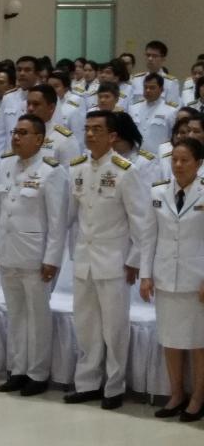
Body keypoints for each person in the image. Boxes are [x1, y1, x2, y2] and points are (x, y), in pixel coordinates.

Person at [64, 111, 150, 410]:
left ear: (112, 136)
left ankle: (114, 387)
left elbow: (140, 221)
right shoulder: (77, 168)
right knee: (86, 325)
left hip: (114, 261)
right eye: (87, 129)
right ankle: (87, 383)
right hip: (84, 259)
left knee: (114, 328)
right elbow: (71, 216)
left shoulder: (126, 171)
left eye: (97, 130)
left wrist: (135, 260)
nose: (89, 134)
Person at [0, 114, 68, 396]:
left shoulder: (52, 171)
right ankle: (18, 369)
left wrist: (52, 259)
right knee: (16, 315)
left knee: (38, 317)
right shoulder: (6, 165)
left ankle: (38, 373)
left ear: (39, 139)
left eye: (23, 133)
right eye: (15, 132)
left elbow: (57, 221)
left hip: (35, 256)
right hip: (8, 251)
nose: (16, 137)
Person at [140, 138, 204, 421]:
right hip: (166, 277)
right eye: (174, 160)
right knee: (170, 339)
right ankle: (176, 393)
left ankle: (198, 397)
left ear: (198, 164)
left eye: (185, 160)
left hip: (196, 280)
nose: (178, 165)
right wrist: (145, 275)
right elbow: (148, 236)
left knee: (199, 342)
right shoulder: (158, 191)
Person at [24, 85, 80, 167]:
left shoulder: (64, 139)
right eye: (28, 104)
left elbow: (71, 172)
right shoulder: (21, 133)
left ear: (51, 108)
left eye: (36, 104)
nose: (30, 108)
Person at [130, 73, 176, 155]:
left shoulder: (171, 111)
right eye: (145, 87)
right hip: (135, 155)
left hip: (157, 157)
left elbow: (173, 137)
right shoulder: (133, 108)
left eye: (152, 88)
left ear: (161, 89)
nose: (148, 90)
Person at [131, 40, 181, 106]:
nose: (150, 59)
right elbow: (130, 104)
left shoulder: (170, 82)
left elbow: (172, 108)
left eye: (154, 56)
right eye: (148, 55)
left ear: (163, 58)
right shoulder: (136, 79)